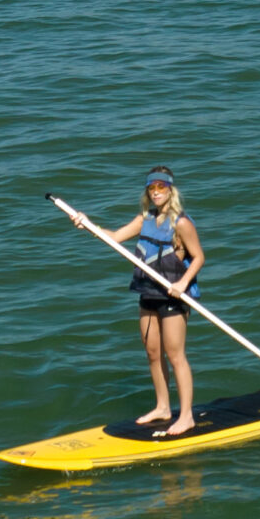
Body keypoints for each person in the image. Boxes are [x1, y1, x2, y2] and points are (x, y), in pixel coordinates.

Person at [69, 166, 206, 435]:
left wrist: (182, 283)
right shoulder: (144, 219)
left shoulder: (181, 222)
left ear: (170, 190)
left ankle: (187, 415)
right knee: (153, 353)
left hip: (172, 295)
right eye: (151, 189)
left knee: (175, 355)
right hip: (148, 293)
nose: (156, 193)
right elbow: (116, 237)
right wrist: (88, 225)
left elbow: (199, 257)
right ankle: (163, 407)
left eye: (161, 188)